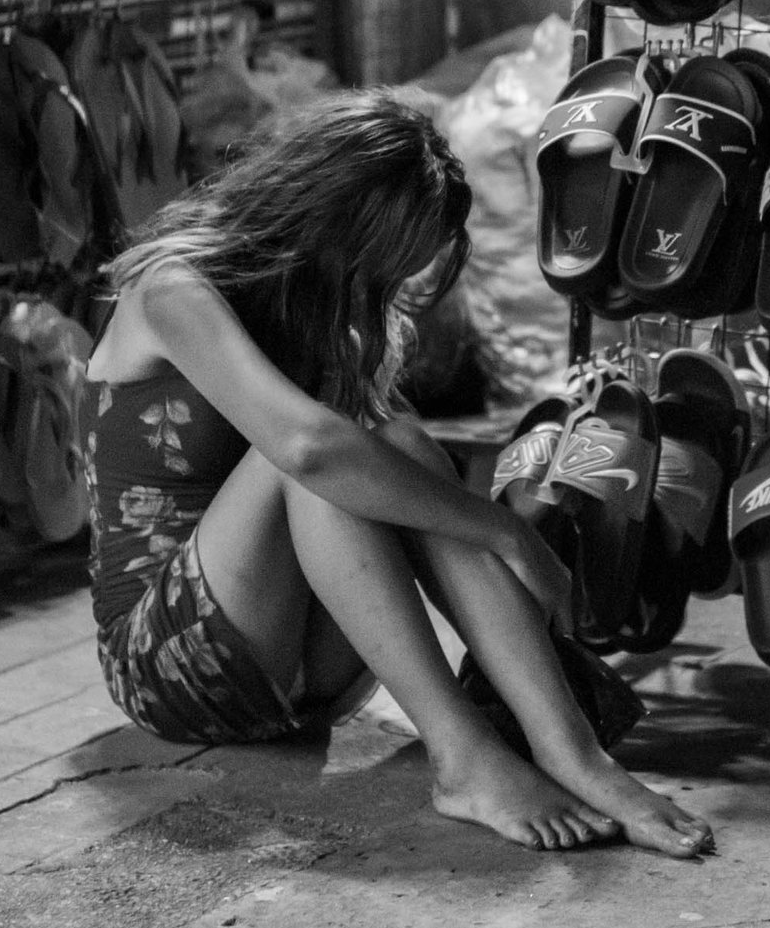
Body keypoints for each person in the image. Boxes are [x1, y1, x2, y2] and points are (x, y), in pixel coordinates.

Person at [79, 89, 712, 858]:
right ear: (319, 215)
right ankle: (463, 755)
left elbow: (392, 471)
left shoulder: (317, 309)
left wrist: (506, 542)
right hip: (169, 666)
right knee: (329, 453)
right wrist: (508, 531)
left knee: (396, 444)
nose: (372, 290)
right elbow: (309, 449)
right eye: (370, 265)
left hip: (311, 677)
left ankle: (574, 753)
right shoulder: (172, 288)